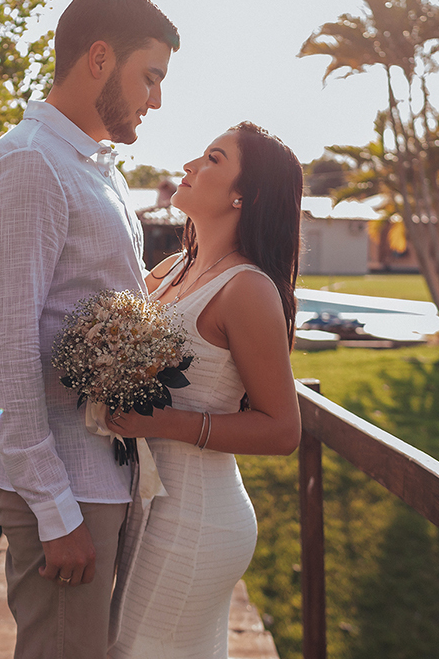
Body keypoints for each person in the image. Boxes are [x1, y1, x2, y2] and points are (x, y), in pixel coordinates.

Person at [0, 0, 179, 658]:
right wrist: (55, 510)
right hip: (61, 485)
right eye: (150, 77)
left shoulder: (92, 165)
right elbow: (2, 349)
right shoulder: (31, 165)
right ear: (98, 58)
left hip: (96, 471)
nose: (158, 99)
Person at [105, 122, 304, 658]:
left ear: (247, 194)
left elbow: (283, 429)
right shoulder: (173, 270)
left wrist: (166, 423)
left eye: (214, 159)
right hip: (143, 504)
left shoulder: (248, 290)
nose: (191, 164)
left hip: (194, 519)